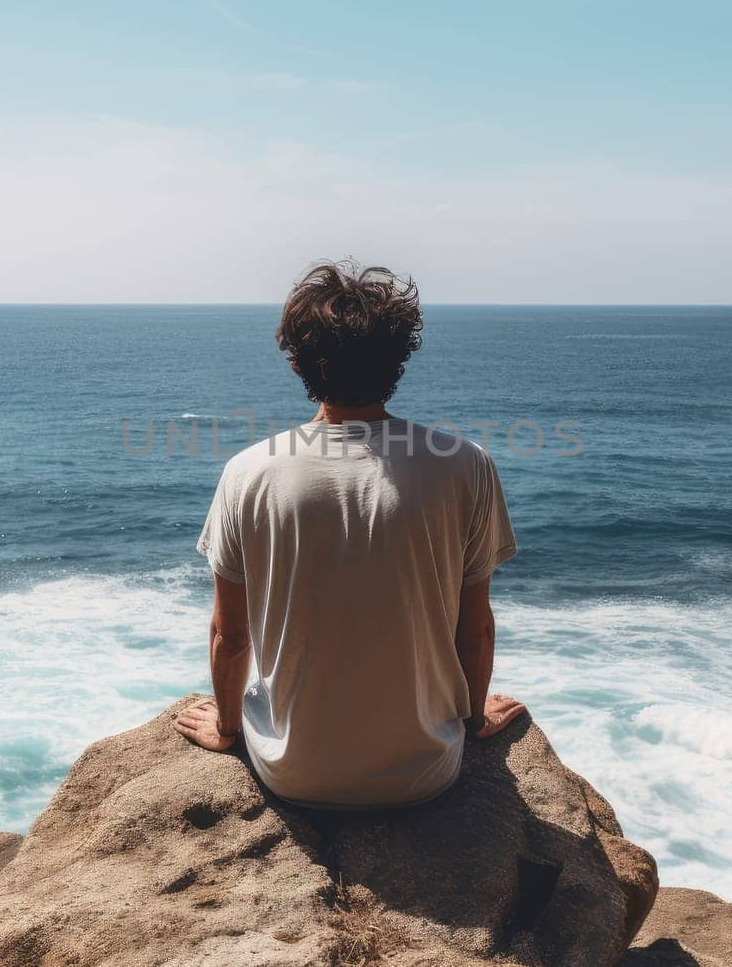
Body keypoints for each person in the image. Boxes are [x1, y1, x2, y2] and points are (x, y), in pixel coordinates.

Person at [174, 260, 525, 808]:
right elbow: (474, 629)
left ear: (297, 362)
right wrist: (476, 717)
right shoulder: (463, 464)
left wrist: (225, 725)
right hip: (426, 771)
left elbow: (230, 634)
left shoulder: (249, 471)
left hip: (291, 772)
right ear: (399, 361)